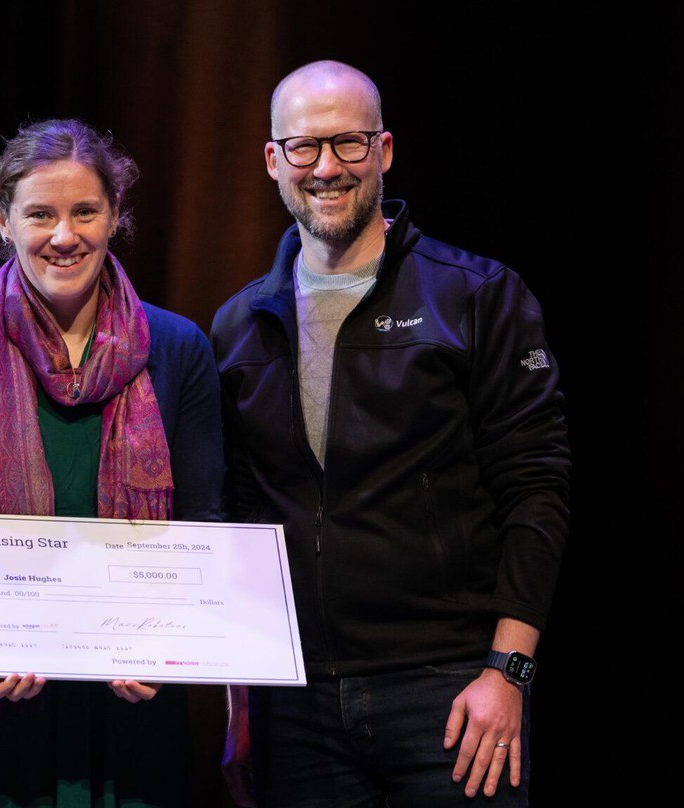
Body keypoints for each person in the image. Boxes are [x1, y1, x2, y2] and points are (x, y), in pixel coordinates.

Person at [211, 61, 570, 807]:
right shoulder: (240, 324)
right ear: (273, 159)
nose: (328, 168)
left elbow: (538, 493)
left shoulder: (474, 295)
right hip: (298, 709)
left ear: (385, 150)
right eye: (306, 147)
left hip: (450, 698)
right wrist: (242, 703)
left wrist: (511, 676)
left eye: (350, 143)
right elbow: (245, 524)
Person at [0, 118, 223, 807]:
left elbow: (204, 524)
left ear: (114, 216)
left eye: (85, 212)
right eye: (40, 214)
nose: (64, 235)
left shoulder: (179, 348)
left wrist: (170, 644)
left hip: (134, 704)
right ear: (4, 219)